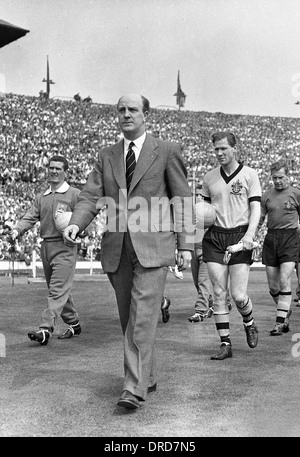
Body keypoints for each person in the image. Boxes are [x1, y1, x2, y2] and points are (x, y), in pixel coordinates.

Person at [63, 94, 193, 410]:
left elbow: (183, 199)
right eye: (120, 109)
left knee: (143, 316)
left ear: (146, 114)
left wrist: (185, 244)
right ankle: (146, 376)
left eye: (132, 109)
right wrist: (76, 224)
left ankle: (133, 387)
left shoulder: (167, 151)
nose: (126, 114)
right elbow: (91, 197)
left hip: (154, 247)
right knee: (130, 319)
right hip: (117, 249)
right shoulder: (106, 155)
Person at [9, 155, 81, 346]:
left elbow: (85, 218)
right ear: (47, 170)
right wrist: (16, 230)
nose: (54, 171)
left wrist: (77, 229)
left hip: (66, 247)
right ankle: (74, 323)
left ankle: (45, 328)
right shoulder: (42, 197)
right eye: (51, 168)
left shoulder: (74, 194)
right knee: (58, 289)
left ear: (65, 172)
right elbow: (30, 217)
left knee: (56, 290)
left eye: (58, 168)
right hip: (46, 247)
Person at [202, 131, 261, 360]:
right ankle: (225, 343)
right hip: (215, 237)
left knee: (238, 295)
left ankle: (249, 322)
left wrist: (249, 235)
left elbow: (255, 208)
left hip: (239, 237)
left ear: (235, 148)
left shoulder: (249, 175)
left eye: (223, 148)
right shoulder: (208, 178)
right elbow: (204, 213)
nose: (219, 153)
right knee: (218, 292)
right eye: (216, 149)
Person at [257, 159, 300, 335]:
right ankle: (285, 310)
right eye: (274, 178)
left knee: (284, 281)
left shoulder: (296, 193)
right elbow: (259, 219)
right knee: (274, 288)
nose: (278, 181)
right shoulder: (266, 195)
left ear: (288, 176)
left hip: (290, 238)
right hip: (271, 238)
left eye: (281, 177)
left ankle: (279, 322)